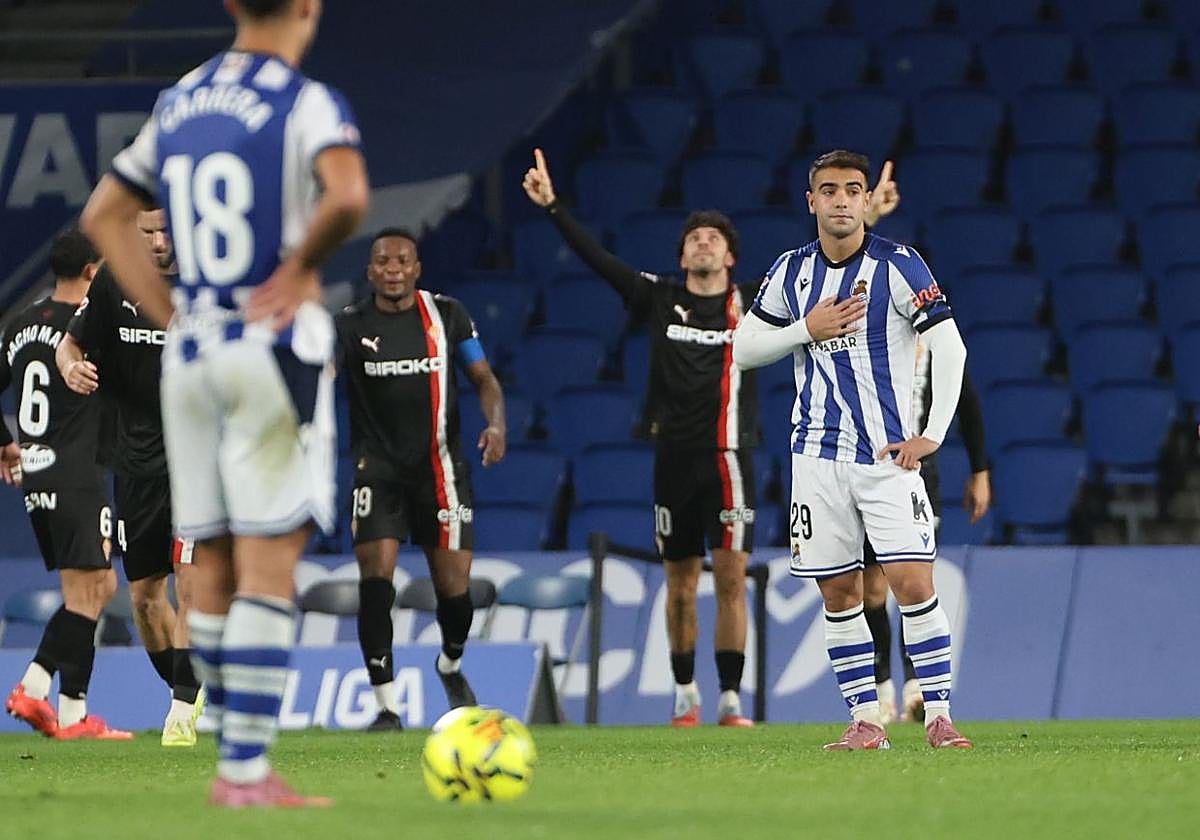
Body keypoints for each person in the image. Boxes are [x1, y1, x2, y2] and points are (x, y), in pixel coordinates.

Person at [81, 0, 369, 807]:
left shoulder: (179, 100)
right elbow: (347, 195)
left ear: (231, 6)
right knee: (268, 558)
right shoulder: (302, 99)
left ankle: (218, 751)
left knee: (206, 560)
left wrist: (172, 315)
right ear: (308, 8)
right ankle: (245, 771)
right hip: (267, 347)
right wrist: (299, 267)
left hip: (192, 353)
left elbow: (101, 215)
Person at [733, 149, 973, 750]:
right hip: (814, 460)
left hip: (887, 459)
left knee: (914, 584)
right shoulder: (790, 271)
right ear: (811, 200)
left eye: (853, 190)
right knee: (839, 595)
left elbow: (952, 350)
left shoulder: (899, 265)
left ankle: (939, 714)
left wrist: (934, 433)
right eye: (830, 190)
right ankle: (866, 720)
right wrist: (804, 331)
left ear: (868, 201)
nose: (842, 200)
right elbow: (742, 348)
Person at [523, 147, 769, 728]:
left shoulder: (755, 304)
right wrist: (554, 207)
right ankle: (685, 697)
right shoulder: (660, 298)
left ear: (731, 256)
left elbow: (822, 272)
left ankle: (731, 701)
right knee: (680, 584)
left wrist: (870, 224)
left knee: (731, 579)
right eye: (694, 239)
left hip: (731, 459)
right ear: (682, 254)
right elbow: (599, 260)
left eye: (714, 239)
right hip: (673, 462)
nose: (703, 243)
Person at [336, 229, 506, 731]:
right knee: (376, 581)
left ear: (417, 268)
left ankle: (450, 660)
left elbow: (484, 379)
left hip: (442, 470)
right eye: (383, 260)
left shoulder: (448, 316)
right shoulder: (348, 325)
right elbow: (319, 378)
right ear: (370, 272)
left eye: (402, 260)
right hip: (378, 471)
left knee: (455, 594)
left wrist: (495, 424)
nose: (392, 268)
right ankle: (387, 705)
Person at [57, 208, 204, 747]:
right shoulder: (116, 280)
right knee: (145, 596)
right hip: (134, 463)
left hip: (196, 462)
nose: (161, 242)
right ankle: (183, 689)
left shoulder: (207, 286)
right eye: (149, 233)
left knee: (191, 584)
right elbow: (69, 343)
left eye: (168, 230)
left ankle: (182, 712)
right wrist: (71, 365)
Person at [857, 176, 992, 724]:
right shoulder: (867, 341)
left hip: (919, 472)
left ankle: (916, 687)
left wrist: (980, 470)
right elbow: (843, 265)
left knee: (913, 581)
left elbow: (968, 402)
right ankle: (883, 689)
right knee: (869, 588)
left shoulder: (936, 344)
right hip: (861, 464)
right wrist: (872, 222)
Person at [1, 229, 132, 741]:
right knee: (89, 592)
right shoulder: (89, 327)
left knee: (95, 587)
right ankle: (32, 689)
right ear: (93, 273)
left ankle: (75, 717)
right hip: (76, 471)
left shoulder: (18, 325)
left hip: (37, 470)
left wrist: (3, 443)